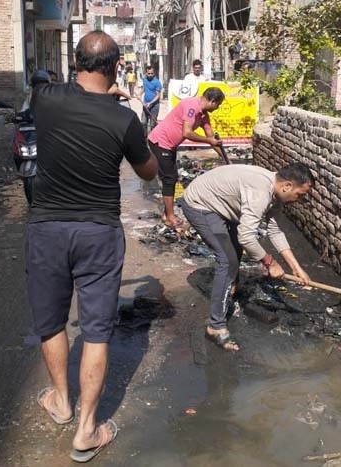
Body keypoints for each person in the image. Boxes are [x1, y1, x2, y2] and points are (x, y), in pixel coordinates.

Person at [27, 31, 157, 462]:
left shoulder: (46, 99)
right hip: (99, 233)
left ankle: (61, 402)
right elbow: (148, 173)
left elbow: (57, 91)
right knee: (97, 330)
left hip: (47, 229)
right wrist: (122, 107)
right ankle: (86, 431)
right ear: (118, 66)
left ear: (75, 62)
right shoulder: (124, 120)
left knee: (51, 322)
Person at [181, 162, 314, 351]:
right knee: (227, 260)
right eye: (299, 195)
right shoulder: (260, 193)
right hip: (200, 204)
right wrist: (270, 263)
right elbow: (246, 237)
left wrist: (296, 268)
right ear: (287, 186)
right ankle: (215, 327)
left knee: (235, 249)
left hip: (222, 205)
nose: (298, 200)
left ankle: (229, 288)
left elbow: (275, 231)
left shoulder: (275, 193)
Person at [148, 87, 225, 229]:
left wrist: (225, 159)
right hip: (160, 142)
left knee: (171, 178)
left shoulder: (204, 115)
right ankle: (169, 217)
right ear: (212, 101)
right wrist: (209, 141)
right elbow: (187, 133)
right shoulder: (192, 106)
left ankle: (167, 213)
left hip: (170, 146)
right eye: (218, 105)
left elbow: (211, 137)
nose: (218, 108)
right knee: (169, 178)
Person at [138, 65, 162, 136]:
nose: (150, 75)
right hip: (145, 104)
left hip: (154, 106)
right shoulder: (145, 79)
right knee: (143, 122)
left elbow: (158, 95)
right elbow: (144, 88)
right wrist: (140, 94)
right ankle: (144, 138)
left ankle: (152, 139)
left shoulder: (157, 82)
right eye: (149, 73)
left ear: (154, 73)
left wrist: (150, 103)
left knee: (152, 125)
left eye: (152, 73)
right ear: (146, 73)